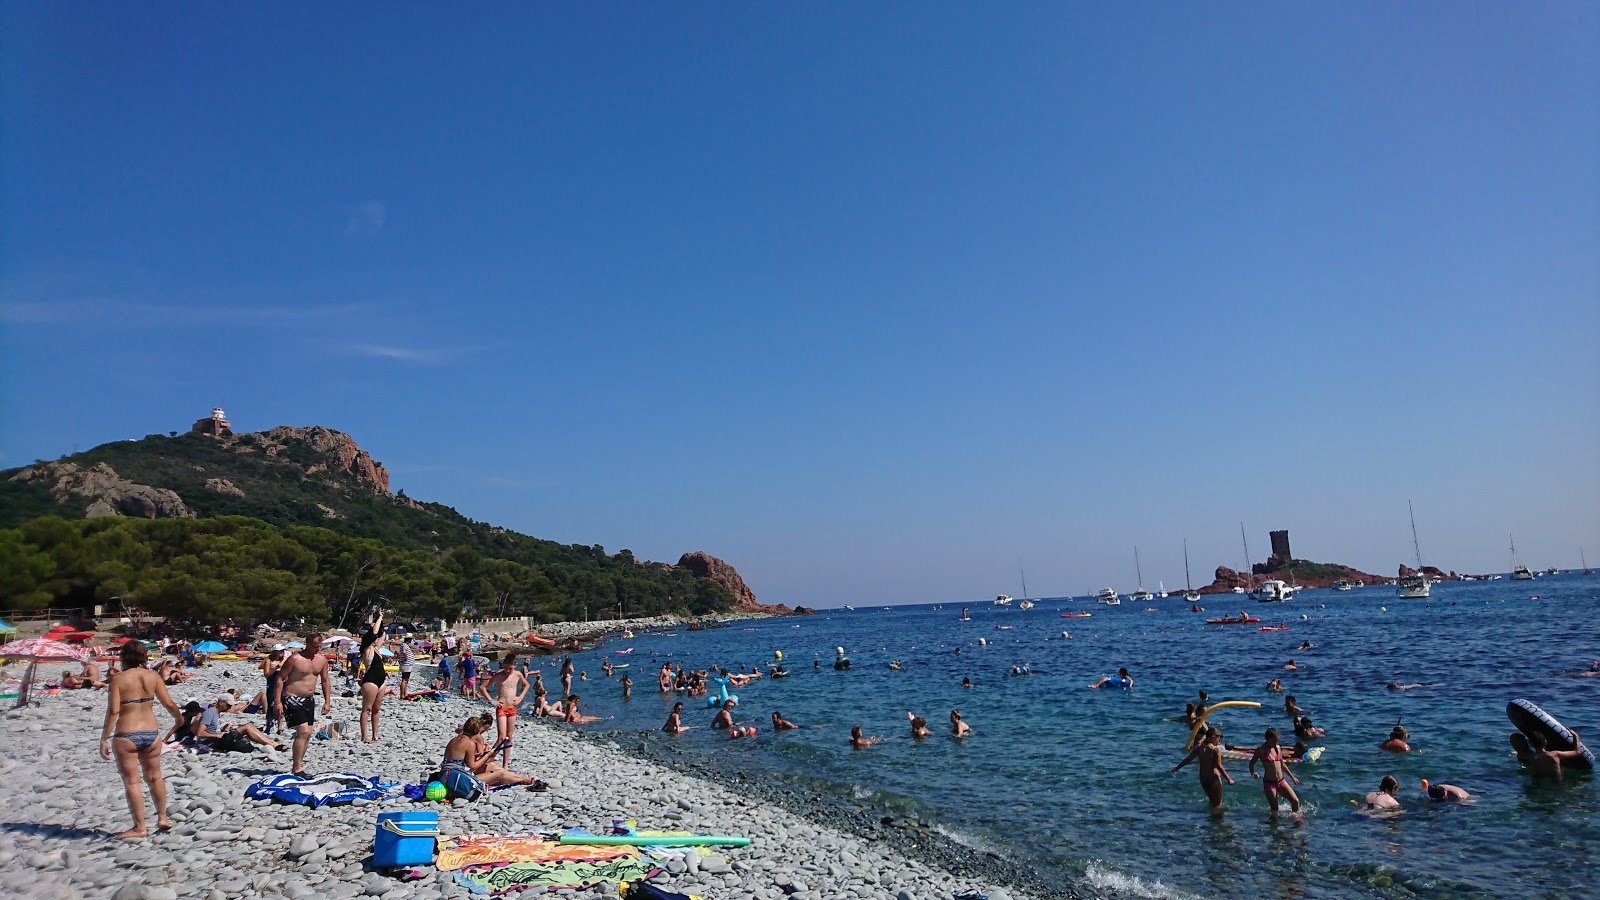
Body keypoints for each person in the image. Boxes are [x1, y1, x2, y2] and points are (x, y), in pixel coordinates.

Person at [100, 641, 182, 839]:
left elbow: (113, 711)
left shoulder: (118, 680)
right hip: (151, 733)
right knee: (155, 777)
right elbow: (168, 703)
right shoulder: (153, 676)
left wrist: (104, 738)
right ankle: (162, 818)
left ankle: (139, 828)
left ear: (123, 657)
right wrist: (179, 718)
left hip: (126, 734)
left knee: (132, 782)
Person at [275, 632, 334, 778]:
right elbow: (280, 679)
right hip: (292, 698)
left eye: (319, 647)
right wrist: (277, 702)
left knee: (307, 734)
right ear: (307, 644)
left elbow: (325, 681)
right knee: (303, 732)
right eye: (315, 646)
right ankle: (296, 769)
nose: (317, 649)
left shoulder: (321, 660)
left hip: (309, 699)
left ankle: (298, 766)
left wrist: (327, 701)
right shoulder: (295, 659)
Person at [440, 715, 532, 799]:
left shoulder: (454, 740)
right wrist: (488, 755)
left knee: (492, 766)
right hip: (457, 780)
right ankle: (523, 780)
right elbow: (473, 766)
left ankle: (519, 777)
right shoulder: (469, 743)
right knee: (499, 773)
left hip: (444, 776)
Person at [195, 696, 287, 753]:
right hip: (212, 743)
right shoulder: (210, 713)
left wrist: (224, 729)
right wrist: (217, 735)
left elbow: (211, 729)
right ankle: (273, 745)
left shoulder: (216, 713)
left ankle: (271, 743)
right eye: (228, 705)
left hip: (216, 739)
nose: (230, 708)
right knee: (246, 727)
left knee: (249, 726)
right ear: (221, 702)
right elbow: (200, 733)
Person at [1173, 727, 1235, 812]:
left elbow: (1188, 759)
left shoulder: (1199, 747)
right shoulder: (1216, 750)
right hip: (1213, 779)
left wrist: (1177, 768)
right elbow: (1219, 766)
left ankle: (1210, 821)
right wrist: (1229, 779)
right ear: (1213, 737)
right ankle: (1218, 823)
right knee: (1218, 804)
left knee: (1211, 801)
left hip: (1203, 778)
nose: (1219, 742)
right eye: (1219, 739)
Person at [485, 657, 528, 767]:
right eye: (505, 668)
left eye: (510, 668)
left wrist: (520, 698)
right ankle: (487, 760)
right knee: (501, 737)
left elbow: (526, 685)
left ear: (515, 665)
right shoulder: (499, 676)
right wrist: (491, 700)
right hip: (502, 708)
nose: (507, 670)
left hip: (512, 708)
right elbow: (483, 687)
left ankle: (505, 765)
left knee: (509, 737)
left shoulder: (517, 674)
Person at [1249, 728, 1302, 814]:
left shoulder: (1277, 748)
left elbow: (1282, 764)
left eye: (1277, 741)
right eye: (1274, 741)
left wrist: (1292, 778)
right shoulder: (1261, 750)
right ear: (1268, 739)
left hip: (1281, 781)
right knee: (1275, 809)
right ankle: (1273, 826)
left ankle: (1296, 822)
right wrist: (1253, 772)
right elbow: (1251, 764)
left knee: (1295, 801)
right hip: (1269, 783)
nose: (1276, 743)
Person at [358, 613, 389, 744]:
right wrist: (380, 617)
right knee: (367, 709)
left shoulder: (377, 649)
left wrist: (382, 625)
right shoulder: (367, 649)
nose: (377, 639)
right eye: (374, 638)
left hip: (380, 681)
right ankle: (364, 736)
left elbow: (381, 635)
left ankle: (375, 735)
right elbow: (375, 631)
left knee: (376, 709)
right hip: (370, 680)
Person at [258, 647, 285, 733]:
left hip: (282, 684)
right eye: (280, 651)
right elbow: (266, 674)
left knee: (281, 704)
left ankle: (280, 727)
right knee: (271, 704)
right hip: (272, 684)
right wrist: (275, 668)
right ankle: (268, 724)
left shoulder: (284, 660)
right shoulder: (269, 661)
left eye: (283, 650)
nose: (282, 652)